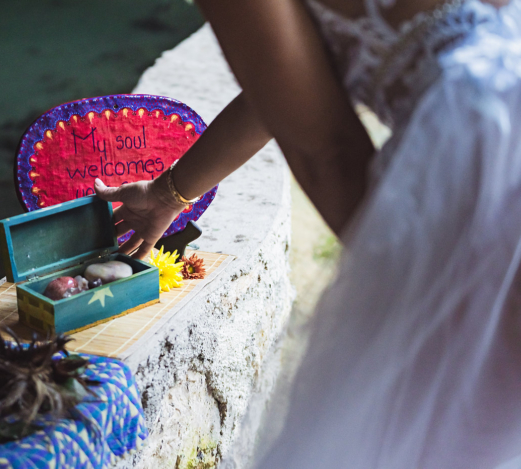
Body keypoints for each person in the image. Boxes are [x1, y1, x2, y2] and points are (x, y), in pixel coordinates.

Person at [95, 0, 521, 467]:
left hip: (494, 173)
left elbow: (328, 155)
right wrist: (169, 194)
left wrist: (415, 295)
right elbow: (281, 86)